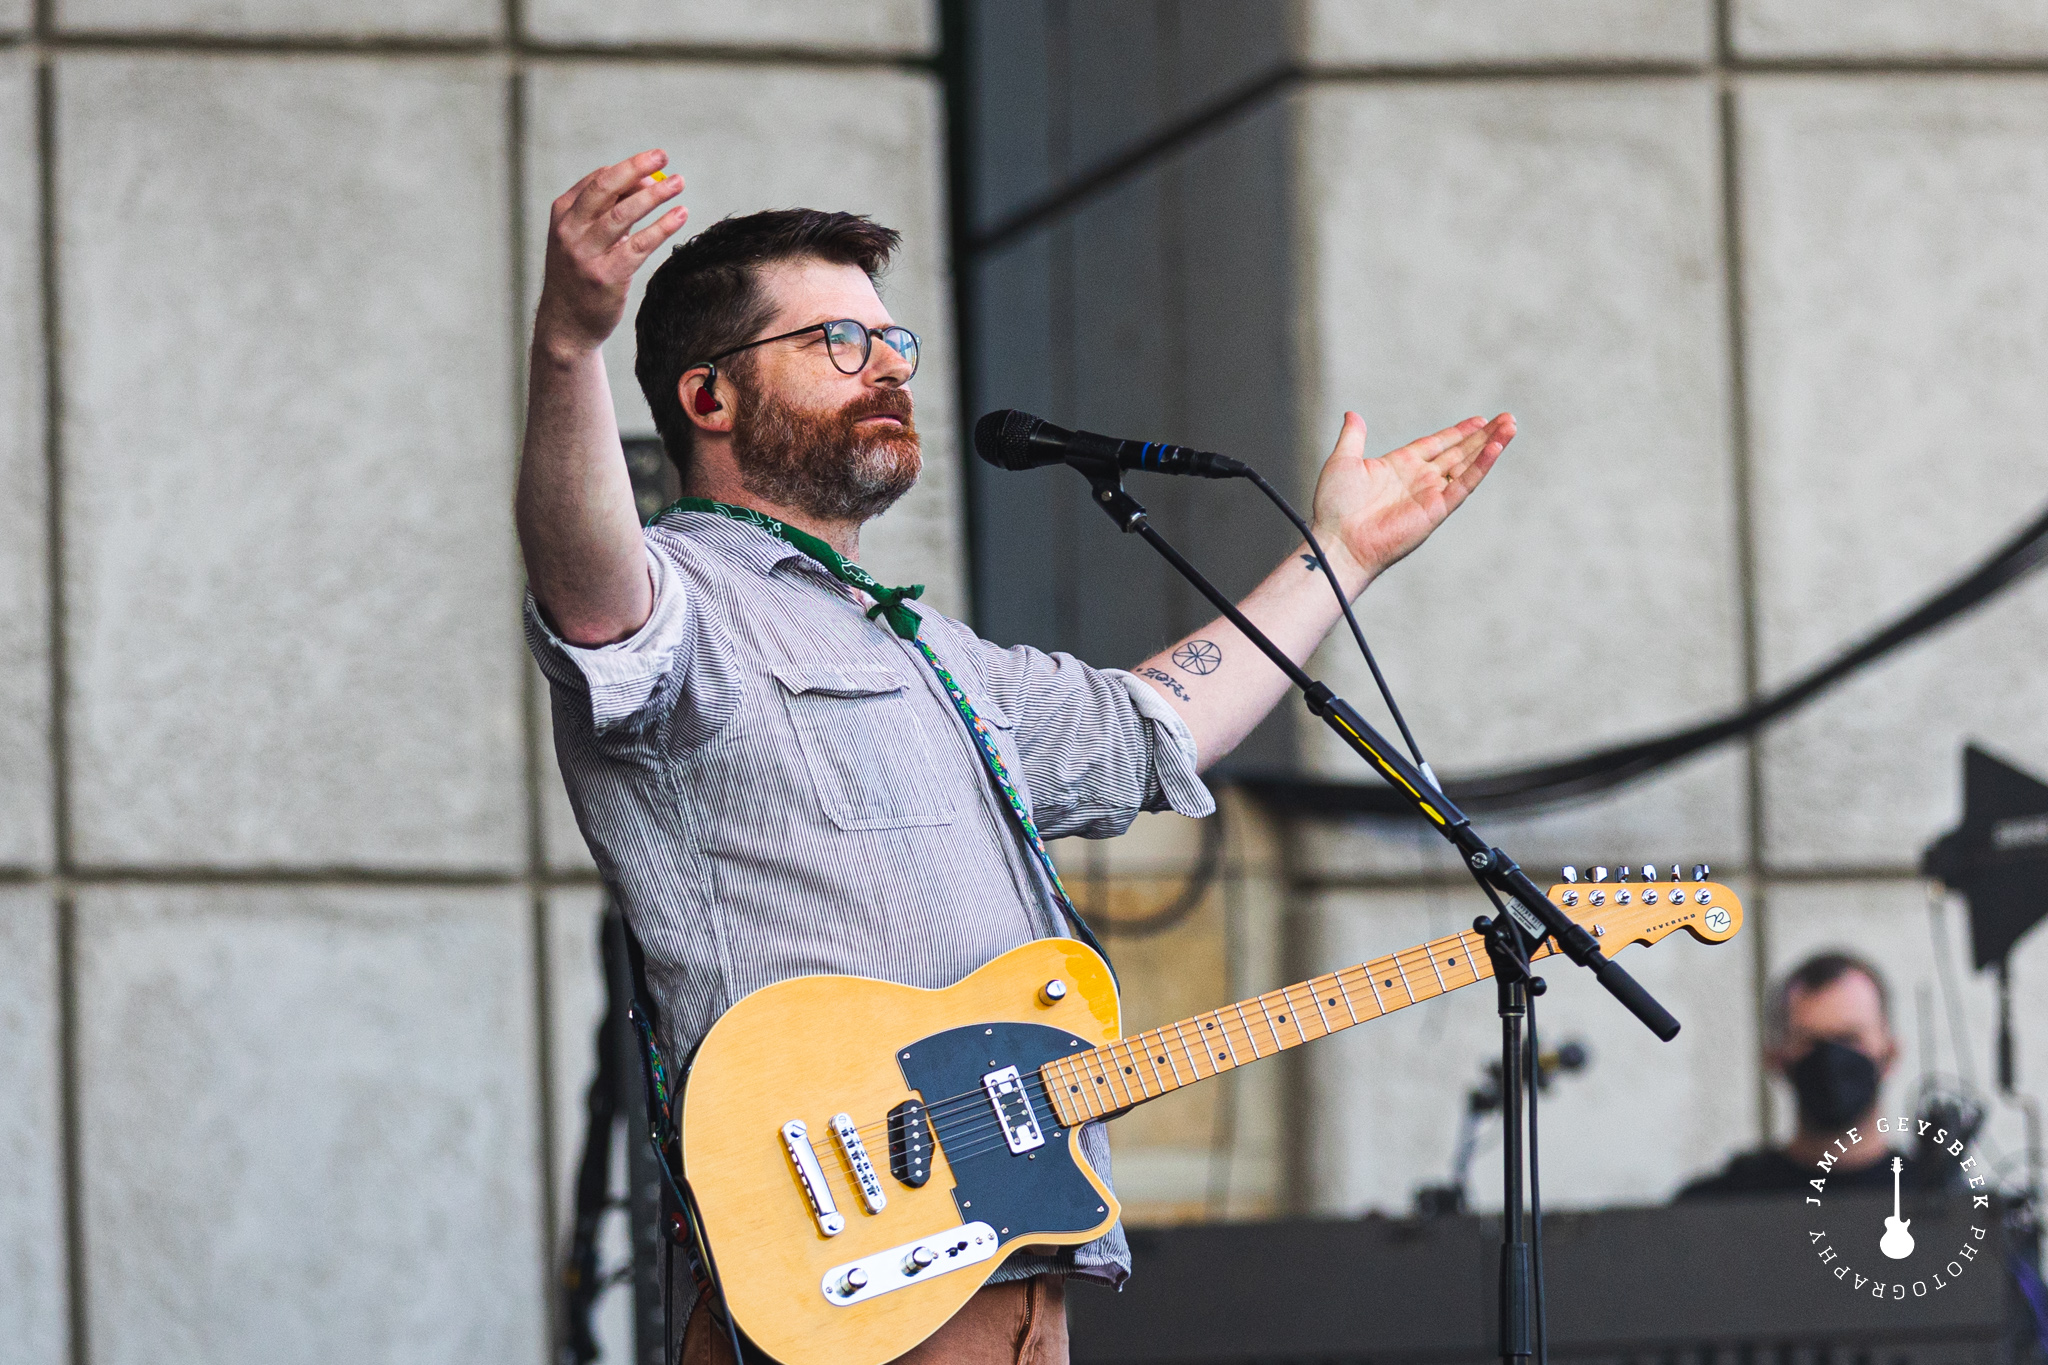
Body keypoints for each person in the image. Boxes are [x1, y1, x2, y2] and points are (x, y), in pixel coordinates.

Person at [516, 148, 1515, 1365]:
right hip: (846, 1271)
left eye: (894, 341)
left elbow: (1154, 728)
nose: (886, 366)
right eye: (835, 341)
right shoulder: (682, 602)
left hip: (1011, 1267)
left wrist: (1339, 556)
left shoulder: (926, 645)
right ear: (709, 399)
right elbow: (586, 582)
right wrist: (569, 346)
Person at [1677, 951, 1923, 1200]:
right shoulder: (1716, 1206)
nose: (1831, 1057)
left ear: (1890, 1055)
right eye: (1811, 1042)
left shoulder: (1939, 1203)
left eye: (1850, 1039)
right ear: (1776, 1059)